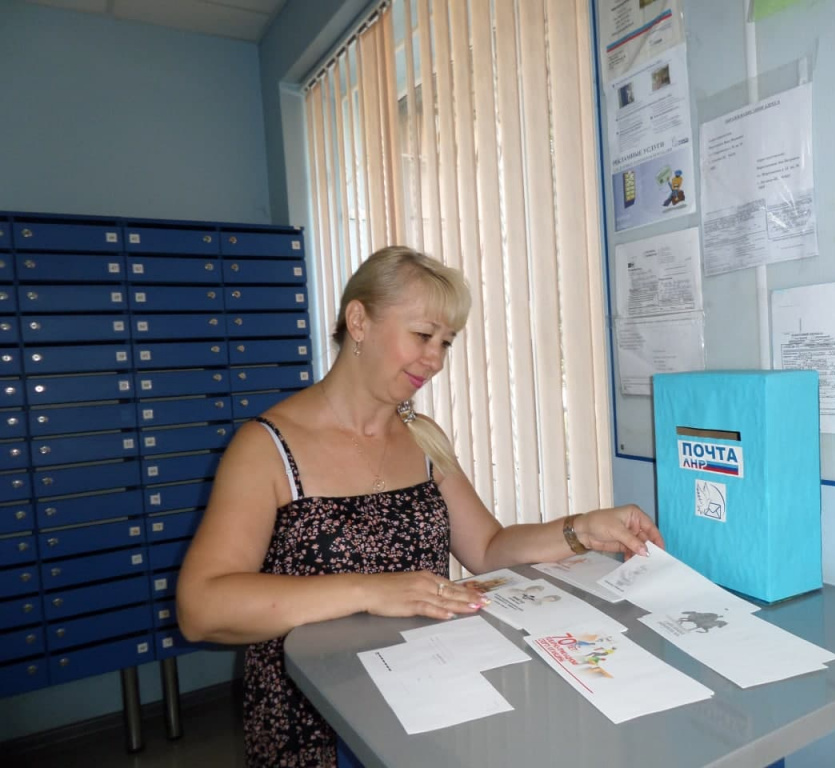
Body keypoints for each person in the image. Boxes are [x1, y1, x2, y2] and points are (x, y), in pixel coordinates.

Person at [176, 246, 664, 768]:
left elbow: (488, 548)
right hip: (312, 716)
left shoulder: (423, 438)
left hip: (426, 696)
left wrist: (582, 530)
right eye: (422, 335)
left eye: (446, 343)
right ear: (358, 320)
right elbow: (201, 608)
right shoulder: (267, 447)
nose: (434, 359)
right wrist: (369, 590)